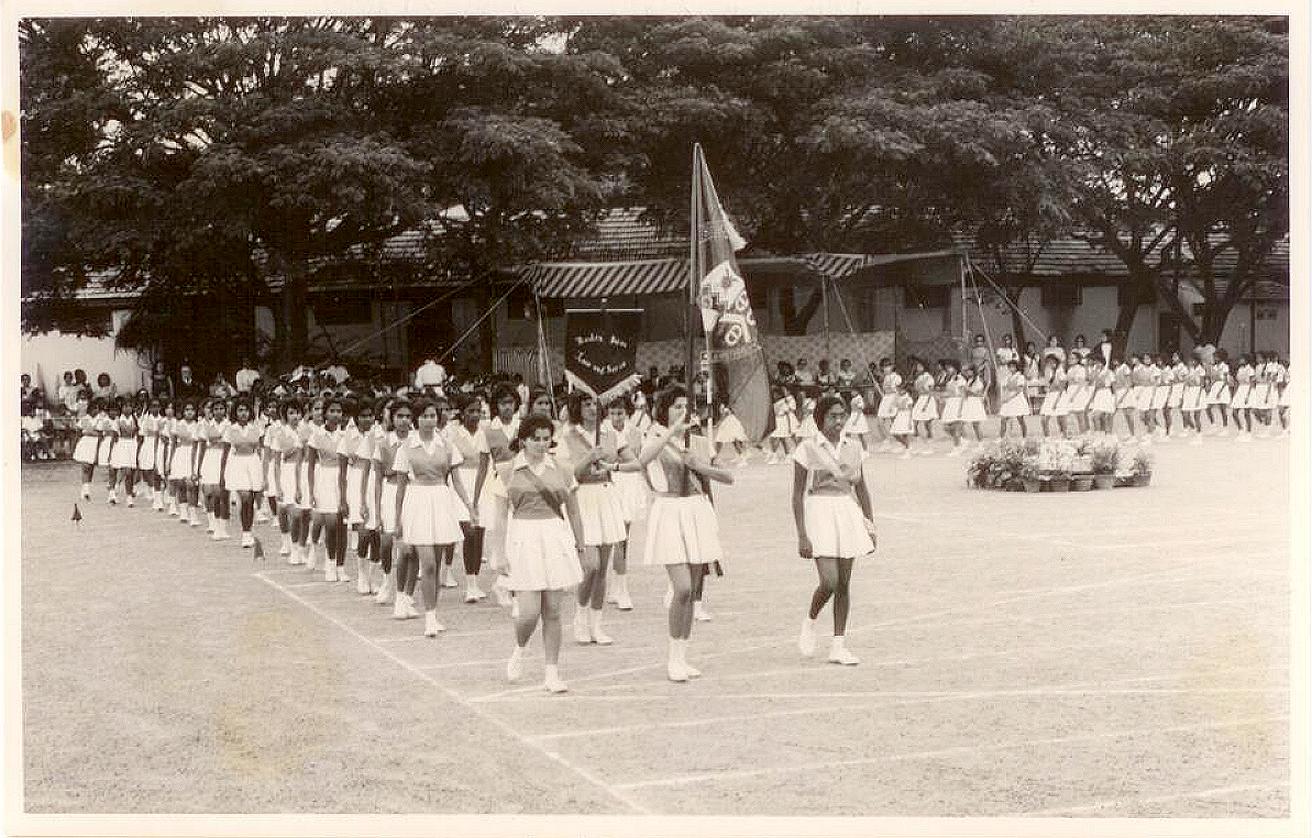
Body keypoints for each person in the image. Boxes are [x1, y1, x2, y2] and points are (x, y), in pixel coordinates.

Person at [628, 386, 732, 682]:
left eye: (686, 406)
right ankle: (673, 658)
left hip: (697, 511)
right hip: (669, 512)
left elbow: (728, 476)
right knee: (682, 588)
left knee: (693, 590)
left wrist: (697, 464)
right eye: (676, 406)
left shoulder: (698, 442)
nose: (682, 410)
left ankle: (683, 656)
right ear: (664, 410)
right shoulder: (655, 437)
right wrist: (671, 431)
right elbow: (642, 460)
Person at [485, 413, 591, 693]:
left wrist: (581, 546)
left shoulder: (562, 468)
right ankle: (519, 649)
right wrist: (499, 553)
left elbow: (575, 511)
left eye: (546, 439)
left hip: (555, 538)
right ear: (523, 440)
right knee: (529, 613)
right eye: (536, 439)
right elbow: (500, 518)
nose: (542, 444)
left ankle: (552, 672)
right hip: (523, 540)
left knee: (553, 610)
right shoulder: (507, 470)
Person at [793, 394, 876, 666]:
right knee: (828, 581)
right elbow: (796, 495)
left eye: (842, 415)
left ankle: (838, 645)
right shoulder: (807, 448)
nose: (839, 421)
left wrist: (870, 524)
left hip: (846, 512)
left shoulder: (853, 447)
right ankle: (810, 620)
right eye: (833, 416)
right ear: (820, 418)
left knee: (843, 583)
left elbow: (862, 488)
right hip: (819, 512)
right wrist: (802, 535)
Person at [393, 397, 476, 638]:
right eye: (424, 416)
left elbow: (457, 482)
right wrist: (397, 519)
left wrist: (469, 506)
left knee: (437, 564)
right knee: (427, 562)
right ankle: (428, 617)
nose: (429, 420)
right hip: (417, 501)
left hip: (441, 500)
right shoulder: (406, 447)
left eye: (432, 416)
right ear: (416, 420)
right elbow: (400, 488)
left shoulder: (447, 445)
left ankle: (432, 614)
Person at [447, 394, 491, 604]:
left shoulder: (485, 433)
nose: (474, 415)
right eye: (470, 411)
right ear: (462, 413)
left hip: (482, 483)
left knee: (480, 534)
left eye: (478, 411)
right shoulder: (453, 434)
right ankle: (469, 584)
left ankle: (475, 582)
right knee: (469, 533)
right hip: (460, 483)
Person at [223, 397, 266, 548]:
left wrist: (263, 470)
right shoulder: (230, 429)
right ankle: (245, 533)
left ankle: (249, 530)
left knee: (251, 500)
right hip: (238, 464)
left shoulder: (257, 428)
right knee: (245, 497)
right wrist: (223, 473)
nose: (243, 413)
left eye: (246, 410)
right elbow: (225, 452)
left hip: (253, 463)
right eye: (240, 410)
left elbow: (261, 450)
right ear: (235, 412)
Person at [997, 359, 1030, 438]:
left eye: (1013, 367)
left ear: (1016, 367)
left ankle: (1024, 437)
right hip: (1009, 398)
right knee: (1003, 419)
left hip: (1017, 399)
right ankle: (1001, 437)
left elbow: (1019, 390)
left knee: (1020, 419)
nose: (1011, 368)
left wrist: (1009, 398)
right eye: (1010, 367)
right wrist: (1004, 397)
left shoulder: (1020, 376)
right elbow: (1005, 388)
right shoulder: (1008, 377)